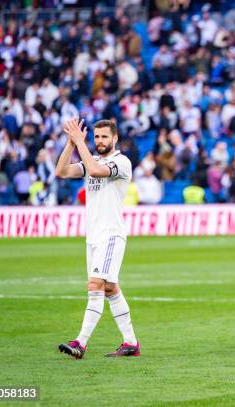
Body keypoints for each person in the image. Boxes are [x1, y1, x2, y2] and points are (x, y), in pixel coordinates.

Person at [56, 118, 139, 359]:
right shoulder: (93, 160)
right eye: (96, 137)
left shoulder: (121, 162)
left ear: (114, 139)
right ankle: (131, 343)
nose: (99, 141)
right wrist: (71, 143)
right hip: (93, 237)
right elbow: (61, 171)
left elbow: (94, 170)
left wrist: (81, 144)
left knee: (95, 285)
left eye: (104, 136)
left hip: (111, 235)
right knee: (111, 288)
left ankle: (80, 343)